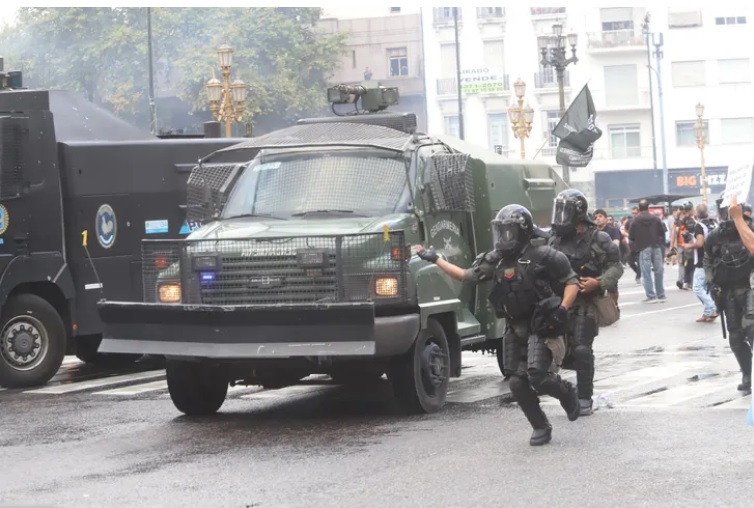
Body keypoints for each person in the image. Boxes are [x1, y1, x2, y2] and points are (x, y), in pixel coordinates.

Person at [415, 204, 581, 445]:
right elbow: (466, 276)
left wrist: (563, 310)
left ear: (522, 231)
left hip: (542, 325)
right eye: (501, 232)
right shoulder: (497, 261)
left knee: (539, 377)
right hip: (514, 327)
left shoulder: (544, 255)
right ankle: (540, 426)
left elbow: (571, 281)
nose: (504, 238)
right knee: (516, 382)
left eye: (509, 232)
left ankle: (567, 393)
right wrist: (436, 259)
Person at [549, 191, 624, 416]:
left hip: (585, 302)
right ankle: (562, 392)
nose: (561, 216)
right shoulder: (554, 238)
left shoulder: (598, 238)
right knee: (547, 352)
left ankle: (584, 398)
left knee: (582, 349)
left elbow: (616, 266)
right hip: (558, 301)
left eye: (566, 210)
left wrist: (598, 282)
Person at [703, 193, 754, 395]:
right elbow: (708, 258)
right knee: (735, 337)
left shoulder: (748, 229)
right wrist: (711, 280)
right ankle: (746, 374)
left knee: (751, 329)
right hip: (729, 291)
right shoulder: (716, 236)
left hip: (749, 288)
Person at [681, 203, 718, 322]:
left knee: (697, 287)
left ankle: (712, 307)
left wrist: (688, 245)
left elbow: (700, 243)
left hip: (703, 260)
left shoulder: (700, 226)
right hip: (714, 259)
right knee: (706, 287)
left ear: (697, 213)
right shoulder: (714, 224)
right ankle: (708, 312)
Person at [629, 199, 667, 303]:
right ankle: (661, 295)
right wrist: (661, 245)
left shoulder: (635, 220)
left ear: (639, 208)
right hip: (656, 247)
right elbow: (662, 233)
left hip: (643, 248)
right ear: (648, 207)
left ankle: (651, 296)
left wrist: (635, 247)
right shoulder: (655, 219)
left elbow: (631, 237)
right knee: (658, 271)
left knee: (646, 273)